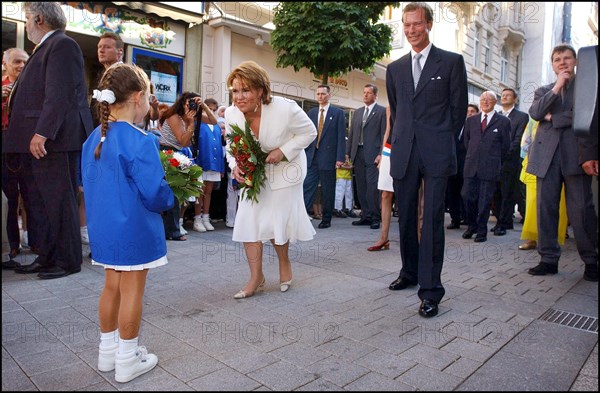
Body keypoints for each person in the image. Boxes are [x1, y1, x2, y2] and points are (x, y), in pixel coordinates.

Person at [82, 63, 174, 383]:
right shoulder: (140, 140)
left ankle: (107, 353)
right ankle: (126, 358)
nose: (150, 102)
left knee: (111, 287)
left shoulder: (93, 138)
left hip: (104, 229)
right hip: (135, 228)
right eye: (148, 96)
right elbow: (154, 193)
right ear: (137, 97)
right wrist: (170, 198)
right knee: (133, 290)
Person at [385, 2, 468, 318]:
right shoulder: (395, 69)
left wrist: (441, 140)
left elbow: (458, 111)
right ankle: (409, 272)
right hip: (404, 151)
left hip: (436, 153)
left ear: (429, 25)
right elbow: (398, 109)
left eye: (416, 24)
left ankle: (431, 290)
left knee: (432, 220)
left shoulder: (450, 63)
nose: (410, 31)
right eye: (406, 25)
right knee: (404, 215)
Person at [5, 2, 94, 279]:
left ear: (40, 19)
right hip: (40, 141)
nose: (28, 23)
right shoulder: (45, 47)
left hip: (52, 140)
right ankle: (47, 256)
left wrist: (43, 132)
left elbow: (60, 93)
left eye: (28, 18)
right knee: (42, 202)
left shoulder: (62, 45)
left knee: (58, 199)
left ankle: (67, 261)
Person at [225, 60, 317, 298]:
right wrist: (236, 165)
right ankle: (256, 277)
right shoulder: (232, 114)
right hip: (255, 171)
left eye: (245, 90)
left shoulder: (286, 109)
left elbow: (309, 132)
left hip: (287, 169)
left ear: (260, 91)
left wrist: (283, 151)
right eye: (235, 91)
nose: (239, 97)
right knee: (248, 219)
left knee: (277, 220)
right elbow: (231, 146)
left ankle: (284, 264)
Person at [527, 44, 598, 281]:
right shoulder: (544, 90)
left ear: (576, 61)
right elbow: (536, 113)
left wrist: (553, 118)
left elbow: (585, 116)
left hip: (577, 155)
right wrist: (557, 88)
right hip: (546, 157)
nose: (562, 62)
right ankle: (548, 259)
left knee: (581, 211)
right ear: (553, 64)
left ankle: (591, 260)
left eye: (567, 58)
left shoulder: (588, 87)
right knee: (546, 209)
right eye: (557, 59)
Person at [158, 92, 217, 240]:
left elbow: (214, 121)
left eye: (194, 103)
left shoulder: (193, 115)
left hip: (178, 153)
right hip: (167, 153)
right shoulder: (174, 117)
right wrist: (191, 124)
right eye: (189, 102)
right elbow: (183, 141)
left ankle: (171, 230)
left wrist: (203, 106)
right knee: (174, 193)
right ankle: (173, 231)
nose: (191, 106)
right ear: (183, 102)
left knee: (178, 194)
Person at [461, 91, 511, 243]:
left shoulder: (503, 121)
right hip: (471, 165)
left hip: (490, 167)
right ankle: (472, 225)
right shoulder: (471, 121)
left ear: (495, 102)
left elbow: (506, 146)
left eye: (489, 99)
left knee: (484, 201)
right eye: (483, 99)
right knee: (467, 196)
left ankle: (482, 231)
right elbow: (466, 141)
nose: (485, 102)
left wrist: (493, 159)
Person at [519, 119, 568, 251]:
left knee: (558, 202)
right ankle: (532, 238)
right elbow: (525, 143)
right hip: (536, 160)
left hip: (560, 160)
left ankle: (554, 239)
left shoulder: (565, 113)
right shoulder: (534, 118)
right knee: (532, 202)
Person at [303, 84, 346, 229]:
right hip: (312, 157)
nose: (320, 96)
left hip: (328, 158)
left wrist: (340, 158)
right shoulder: (312, 113)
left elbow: (341, 136)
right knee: (307, 186)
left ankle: (326, 219)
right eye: (318, 94)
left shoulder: (338, 113)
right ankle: (302, 216)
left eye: (323, 94)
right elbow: (307, 133)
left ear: (329, 95)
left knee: (328, 190)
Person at [2, 48, 30, 260]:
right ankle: (12, 243)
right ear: (6, 64)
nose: (21, 66)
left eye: (24, 62)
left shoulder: (32, 88)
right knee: (10, 197)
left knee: (31, 196)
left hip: (27, 146)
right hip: (5, 147)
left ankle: (35, 241)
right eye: (17, 62)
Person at [346, 84, 387, 229]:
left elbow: (384, 134)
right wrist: (348, 154)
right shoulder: (357, 112)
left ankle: (376, 217)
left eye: (368, 93)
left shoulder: (382, 111)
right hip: (358, 154)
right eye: (364, 92)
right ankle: (365, 215)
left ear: (375, 95)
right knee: (361, 187)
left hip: (373, 155)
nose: (365, 95)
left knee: (372, 187)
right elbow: (351, 135)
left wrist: (381, 154)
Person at [491, 88, 529, 236]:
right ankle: (500, 219)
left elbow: (518, 139)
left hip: (510, 161)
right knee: (496, 193)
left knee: (507, 192)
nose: (505, 97)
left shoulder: (521, 117)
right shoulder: (497, 116)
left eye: (508, 95)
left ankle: (504, 223)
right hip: (495, 161)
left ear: (515, 99)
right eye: (503, 95)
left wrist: (504, 154)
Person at [192, 97, 224, 232]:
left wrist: (221, 167)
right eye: (208, 108)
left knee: (209, 191)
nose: (211, 111)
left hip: (214, 162)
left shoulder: (216, 126)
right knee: (200, 191)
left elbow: (219, 146)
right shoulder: (199, 122)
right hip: (202, 160)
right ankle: (197, 218)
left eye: (213, 110)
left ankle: (206, 217)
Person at [446, 103, 478, 229]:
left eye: (472, 111)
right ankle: (455, 219)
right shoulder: (455, 125)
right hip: (453, 164)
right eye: (467, 111)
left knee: (466, 193)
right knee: (452, 192)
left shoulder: (476, 127)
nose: (469, 113)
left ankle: (468, 219)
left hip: (468, 165)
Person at [368, 105, 394, 251]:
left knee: (410, 196)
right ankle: (384, 238)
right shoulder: (390, 106)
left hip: (409, 147)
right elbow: (387, 130)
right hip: (390, 149)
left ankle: (417, 237)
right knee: (385, 194)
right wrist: (383, 155)